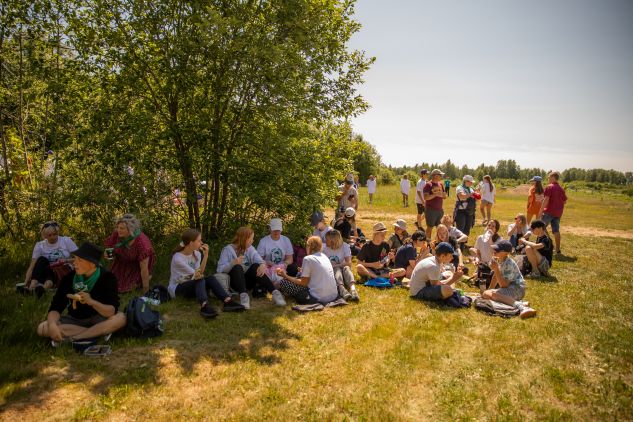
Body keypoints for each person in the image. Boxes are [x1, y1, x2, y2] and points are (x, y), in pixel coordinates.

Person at [37, 242, 127, 345]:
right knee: (42, 328)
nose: (74, 263)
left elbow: (111, 311)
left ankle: (76, 338)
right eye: (75, 259)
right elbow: (56, 307)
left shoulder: (107, 277)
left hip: (99, 318)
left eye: (79, 260)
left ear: (92, 263)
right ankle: (98, 332)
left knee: (121, 318)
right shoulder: (69, 278)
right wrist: (52, 325)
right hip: (76, 319)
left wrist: (92, 302)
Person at [170, 229, 246, 318]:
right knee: (200, 279)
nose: (201, 243)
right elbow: (197, 274)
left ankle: (227, 301)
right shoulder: (178, 258)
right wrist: (198, 275)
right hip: (178, 289)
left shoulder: (197, 254)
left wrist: (206, 255)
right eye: (199, 241)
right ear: (191, 243)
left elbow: (200, 272)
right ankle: (204, 306)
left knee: (210, 278)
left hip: (193, 283)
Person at [217, 227, 287, 309]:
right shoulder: (227, 250)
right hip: (234, 284)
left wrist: (262, 264)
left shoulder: (250, 248)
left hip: (248, 282)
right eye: (251, 239)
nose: (252, 241)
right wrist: (233, 263)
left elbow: (259, 259)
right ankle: (243, 297)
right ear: (244, 239)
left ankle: (275, 293)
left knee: (256, 266)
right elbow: (220, 269)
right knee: (237, 267)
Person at [276, 236, 338, 305]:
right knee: (298, 276)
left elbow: (303, 283)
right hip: (333, 295)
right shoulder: (324, 256)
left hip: (318, 297)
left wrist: (285, 276)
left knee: (283, 282)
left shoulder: (308, 259)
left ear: (309, 246)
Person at [482, 240, 537, 318]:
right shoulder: (500, 260)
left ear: (506, 253)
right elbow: (495, 277)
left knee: (493, 295)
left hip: (517, 289)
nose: (494, 251)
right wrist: (489, 290)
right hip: (510, 288)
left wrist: (496, 269)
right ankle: (520, 303)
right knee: (486, 294)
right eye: (495, 249)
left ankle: (521, 307)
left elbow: (504, 285)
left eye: (497, 250)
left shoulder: (509, 263)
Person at [104, 214, 156, 294]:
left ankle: (144, 280)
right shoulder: (117, 234)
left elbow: (144, 269)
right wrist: (108, 255)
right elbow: (110, 247)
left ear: (130, 229)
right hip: (121, 264)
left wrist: (146, 290)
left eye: (122, 228)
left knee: (127, 288)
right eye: (117, 227)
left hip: (136, 266)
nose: (118, 230)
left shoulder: (141, 244)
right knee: (109, 285)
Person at [23, 221, 77, 297]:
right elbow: (32, 266)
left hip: (62, 270)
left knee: (55, 271)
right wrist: (25, 282)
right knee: (41, 260)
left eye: (55, 234)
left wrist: (66, 260)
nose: (53, 237)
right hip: (48, 270)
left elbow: (80, 259)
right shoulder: (40, 245)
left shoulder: (66, 240)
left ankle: (43, 289)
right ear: (44, 235)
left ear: (58, 232)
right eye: (49, 235)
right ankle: (31, 287)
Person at [257, 218, 297, 285]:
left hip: (282, 267)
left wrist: (284, 264)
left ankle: (284, 282)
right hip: (268, 267)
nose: (276, 232)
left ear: (281, 230)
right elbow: (258, 259)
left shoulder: (286, 240)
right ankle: (271, 284)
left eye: (278, 230)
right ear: (270, 228)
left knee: (294, 267)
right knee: (257, 268)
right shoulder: (263, 241)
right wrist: (266, 263)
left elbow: (290, 258)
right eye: (274, 230)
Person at [323, 229, 359, 301]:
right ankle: (342, 289)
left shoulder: (345, 246)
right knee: (337, 269)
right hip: (333, 271)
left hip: (343, 268)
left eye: (327, 239)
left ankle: (353, 289)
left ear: (333, 240)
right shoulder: (324, 248)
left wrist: (336, 265)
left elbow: (349, 263)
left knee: (347, 268)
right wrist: (336, 266)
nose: (325, 240)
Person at [538, 171, 567, 254]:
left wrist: (540, 211)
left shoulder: (549, 187)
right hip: (558, 213)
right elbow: (564, 201)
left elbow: (546, 199)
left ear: (553, 178)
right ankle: (557, 250)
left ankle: (547, 245)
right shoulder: (561, 188)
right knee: (556, 230)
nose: (548, 179)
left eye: (548, 177)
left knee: (541, 227)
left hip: (548, 212)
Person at [423, 169, 447, 239]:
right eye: (440, 175)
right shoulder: (428, 185)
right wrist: (435, 195)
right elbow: (426, 197)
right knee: (430, 228)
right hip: (431, 210)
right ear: (435, 176)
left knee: (440, 228)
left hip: (439, 210)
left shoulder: (441, 184)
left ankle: (439, 243)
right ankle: (428, 244)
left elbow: (444, 195)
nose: (441, 176)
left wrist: (443, 195)